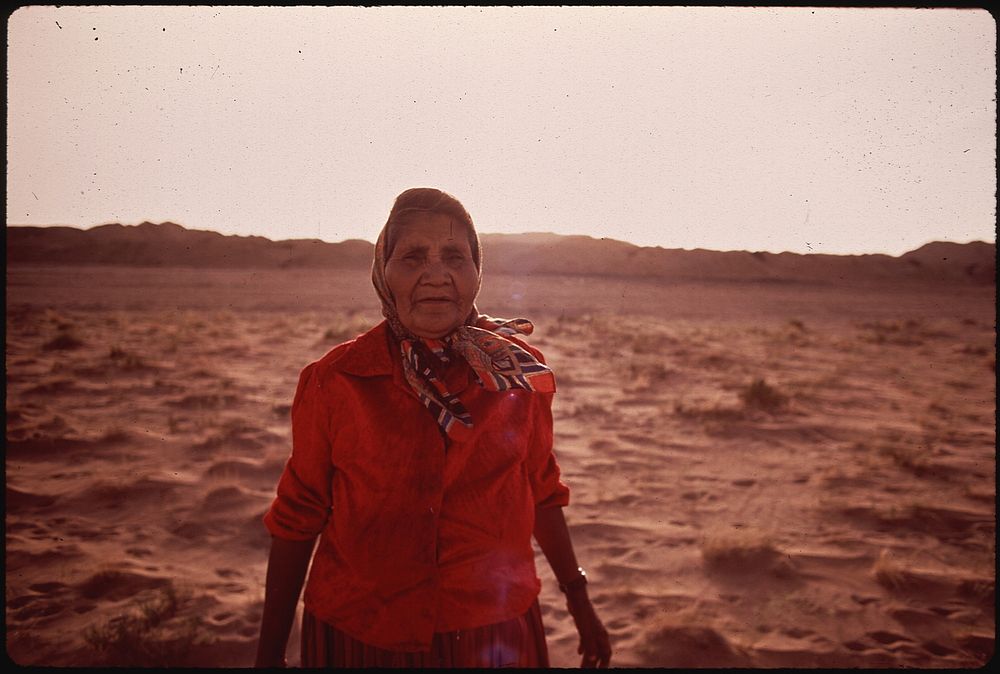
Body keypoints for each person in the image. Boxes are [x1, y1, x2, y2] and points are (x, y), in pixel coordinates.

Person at [254, 187, 612, 668]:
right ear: (384, 273)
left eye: (455, 257)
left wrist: (579, 601)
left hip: (493, 631)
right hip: (361, 635)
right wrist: (269, 655)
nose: (436, 275)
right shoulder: (336, 380)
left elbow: (540, 490)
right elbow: (298, 516)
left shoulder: (518, 375)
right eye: (413, 257)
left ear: (477, 272)